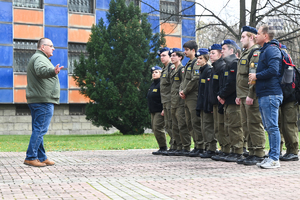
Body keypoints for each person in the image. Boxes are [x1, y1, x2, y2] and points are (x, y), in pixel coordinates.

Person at [24, 37, 63, 167]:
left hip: (38, 99)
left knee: (38, 129)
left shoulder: (38, 57)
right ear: (43, 47)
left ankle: (41, 157)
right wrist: (53, 71)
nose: (53, 48)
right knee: (40, 130)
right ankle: (31, 157)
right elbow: (41, 71)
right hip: (42, 101)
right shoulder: (40, 58)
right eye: (51, 46)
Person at [249, 24, 283, 169]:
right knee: (269, 127)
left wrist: (256, 75)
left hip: (271, 94)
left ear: (265, 36)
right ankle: (271, 157)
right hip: (265, 94)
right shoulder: (265, 50)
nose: (255, 36)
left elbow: (274, 70)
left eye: (257, 33)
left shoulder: (272, 50)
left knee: (272, 127)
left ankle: (275, 159)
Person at [236, 26, 266, 166]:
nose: (241, 39)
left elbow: (253, 77)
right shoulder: (245, 53)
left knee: (254, 123)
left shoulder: (255, 53)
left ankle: (259, 153)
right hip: (242, 95)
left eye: (243, 37)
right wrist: (239, 95)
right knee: (246, 124)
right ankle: (252, 151)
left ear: (252, 37)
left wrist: (250, 94)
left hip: (250, 96)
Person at [218, 39, 243, 162]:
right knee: (229, 127)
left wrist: (222, 94)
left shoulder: (235, 63)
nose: (221, 51)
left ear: (231, 50)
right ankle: (233, 150)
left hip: (233, 101)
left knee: (235, 127)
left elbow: (233, 83)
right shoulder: (227, 64)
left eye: (224, 49)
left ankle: (238, 151)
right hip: (228, 101)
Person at [179, 40, 204, 157]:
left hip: (193, 96)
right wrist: (181, 91)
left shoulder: (196, 63)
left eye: (187, 50)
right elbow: (184, 80)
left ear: (193, 50)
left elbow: (195, 78)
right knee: (189, 122)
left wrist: (185, 90)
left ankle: (200, 146)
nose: (185, 52)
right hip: (186, 97)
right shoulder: (188, 64)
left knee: (195, 121)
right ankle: (196, 145)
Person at [278, 44, 299, 161]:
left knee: (289, 125)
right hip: (283, 100)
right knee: (281, 126)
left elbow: (289, 87)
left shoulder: (289, 68)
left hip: (290, 101)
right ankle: (283, 150)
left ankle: (293, 151)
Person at [167, 48, 190, 156]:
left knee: (181, 125)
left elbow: (183, 84)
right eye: (171, 56)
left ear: (180, 57)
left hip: (180, 102)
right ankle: (178, 145)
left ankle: (185, 146)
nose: (172, 57)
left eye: (174, 55)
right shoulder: (173, 70)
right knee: (174, 125)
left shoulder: (182, 70)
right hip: (173, 101)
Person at [195, 48, 217, 158]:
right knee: (204, 127)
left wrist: (209, 105)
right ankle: (207, 147)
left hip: (207, 103)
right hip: (202, 103)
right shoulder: (202, 70)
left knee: (208, 127)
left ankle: (212, 148)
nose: (198, 61)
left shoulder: (208, 70)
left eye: (200, 58)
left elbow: (209, 90)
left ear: (206, 59)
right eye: (197, 58)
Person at [207, 44, 227, 161]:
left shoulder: (221, 67)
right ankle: (223, 148)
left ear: (220, 54)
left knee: (222, 126)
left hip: (220, 101)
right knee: (217, 128)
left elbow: (222, 86)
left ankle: (226, 149)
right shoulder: (214, 67)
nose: (210, 55)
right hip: (214, 101)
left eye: (213, 53)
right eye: (210, 53)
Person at [158, 47, 176, 154]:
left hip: (171, 100)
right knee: (168, 125)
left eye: (164, 55)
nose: (162, 57)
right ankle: (173, 145)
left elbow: (173, 86)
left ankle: (176, 146)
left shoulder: (171, 68)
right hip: (165, 101)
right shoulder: (164, 69)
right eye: (160, 56)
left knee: (172, 124)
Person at [147, 66, 167, 155]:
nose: (154, 74)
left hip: (159, 110)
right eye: (153, 72)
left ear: (161, 73)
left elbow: (164, 96)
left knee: (158, 127)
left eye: (156, 72)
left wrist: (164, 108)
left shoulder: (161, 83)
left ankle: (164, 147)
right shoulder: (153, 84)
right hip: (153, 110)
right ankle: (161, 147)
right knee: (155, 129)